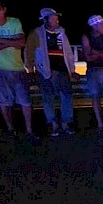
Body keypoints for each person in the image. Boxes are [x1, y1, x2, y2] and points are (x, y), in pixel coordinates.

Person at [24, 8, 78, 137]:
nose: (56, 20)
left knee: (66, 96)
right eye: (53, 18)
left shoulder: (61, 32)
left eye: (56, 18)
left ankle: (65, 122)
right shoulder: (37, 33)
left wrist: (72, 70)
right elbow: (29, 51)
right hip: (45, 70)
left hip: (62, 69)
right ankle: (53, 124)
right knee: (48, 97)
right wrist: (31, 69)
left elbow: (68, 53)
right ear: (46, 20)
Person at [0, 1, 38, 141]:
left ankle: (29, 130)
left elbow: (22, 43)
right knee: (5, 100)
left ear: (4, 10)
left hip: (17, 67)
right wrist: (11, 41)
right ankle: (11, 129)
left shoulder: (14, 22)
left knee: (25, 99)